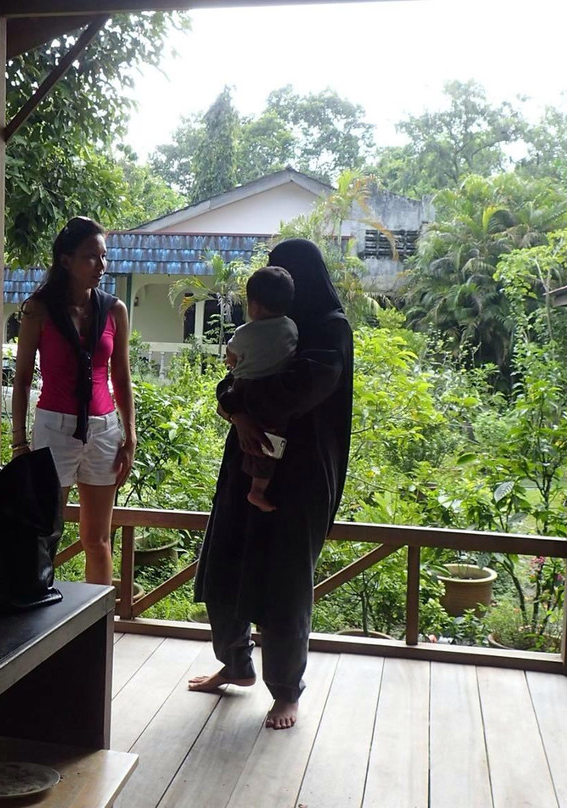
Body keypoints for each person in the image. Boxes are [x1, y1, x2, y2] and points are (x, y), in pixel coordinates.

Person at [189, 238, 353, 730]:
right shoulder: (264, 329)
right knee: (224, 561)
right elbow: (227, 382)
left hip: (300, 476)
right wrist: (236, 409)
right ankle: (236, 664)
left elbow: (301, 388)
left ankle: (286, 691)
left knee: (284, 582)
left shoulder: (328, 330)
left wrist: (240, 404)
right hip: (247, 460)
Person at [11, 216, 136, 586]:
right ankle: (36, 624)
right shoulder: (39, 309)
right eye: (91, 257)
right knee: (44, 534)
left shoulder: (114, 310)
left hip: (103, 430)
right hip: (55, 428)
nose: (101, 266)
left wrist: (130, 435)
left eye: (104, 257)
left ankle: (97, 630)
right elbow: (21, 378)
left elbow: (122, 376)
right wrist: (19, 441)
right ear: (66, 261)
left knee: (97, 540)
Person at [222, 265, 299, 513]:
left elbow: (231, 355)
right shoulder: (292, 327)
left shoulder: (245, 332)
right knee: (269, 442)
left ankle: (255, 492)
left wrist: (234, 361)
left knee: (254, 441)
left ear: (254, 306)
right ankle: (258, 489)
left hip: (243, 387)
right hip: (273, 392)